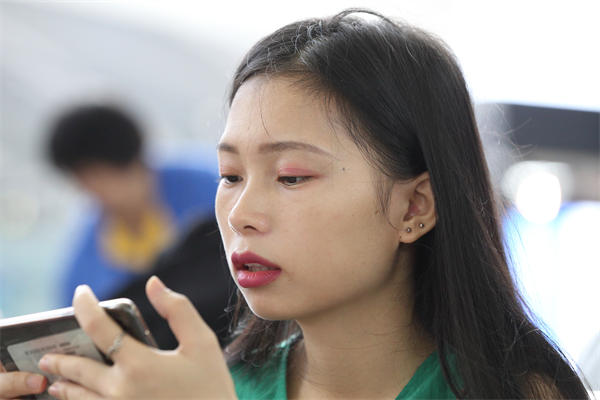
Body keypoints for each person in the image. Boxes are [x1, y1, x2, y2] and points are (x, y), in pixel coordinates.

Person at [0, 9, 590, 399]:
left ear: (415, 207)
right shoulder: (215, 386)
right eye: (230, 175)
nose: (239, 213)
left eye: (291, 176)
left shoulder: (518, 393)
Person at [45, 104, 218, 305]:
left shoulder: (209, 187)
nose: (93, 189)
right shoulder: (83, 263)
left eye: (99, 174)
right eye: (82, 179)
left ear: (132, 159)